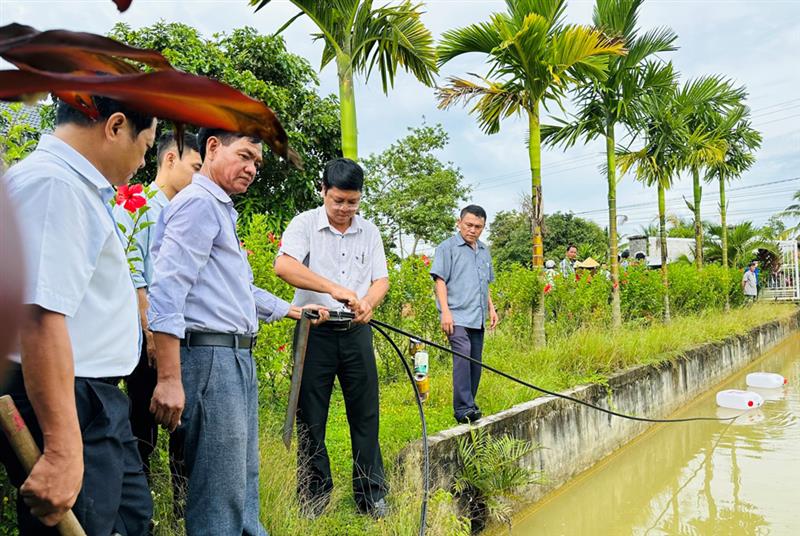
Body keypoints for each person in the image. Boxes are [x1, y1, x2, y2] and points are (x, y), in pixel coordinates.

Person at [146, 129, 327, 535]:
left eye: (257, 164)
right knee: (219, 496)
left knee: (242, 487)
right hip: (211, 359)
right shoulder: (198, 204)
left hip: (234, 358)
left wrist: (291, 311)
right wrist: (170, 378)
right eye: (244, 156)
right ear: (212, 147)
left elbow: (236, 289)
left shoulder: (220, 209)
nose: (251, 169)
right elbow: (167, 291)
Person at [0, 97, 156, 535]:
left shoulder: (69, 185)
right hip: (70, 400)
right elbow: (39, 318)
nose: (144, 162)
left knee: (128, 519)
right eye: (145, 145)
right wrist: (63, 452)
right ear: (115, 126)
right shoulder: (53, 185)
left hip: (94, 400)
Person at [274, 157, 390, 519]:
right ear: (323, 191)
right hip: (315, 331)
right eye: (337, 200)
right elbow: (285, 266)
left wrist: (368, 302)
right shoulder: (304, 224)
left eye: (352, 202)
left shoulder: (369, 231)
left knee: (366, 414)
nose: (344, 209)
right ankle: (314, 494)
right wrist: (333, 289)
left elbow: (380, 279)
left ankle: (371, 495)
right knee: (311, 416)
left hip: (356, 332)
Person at [112, 132, 201, 482]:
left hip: (179, 333)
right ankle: (142, 506)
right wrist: (149, 330)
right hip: (146, 334)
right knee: (143, 425)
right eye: (195, 167)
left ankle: (182, 507)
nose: (199, 176)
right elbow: (131, 269)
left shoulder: (185, 211)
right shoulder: (138, 205)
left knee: (183, 427)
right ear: (169, 160)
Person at [430, 205, 498, 424]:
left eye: (478, 227)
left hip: (477, 317)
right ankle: (462, 409)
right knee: (463, 355)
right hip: (456, 316)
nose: (473, 230)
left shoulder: (485, 251)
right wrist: (445, 313)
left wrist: (491, 308)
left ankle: (470, 404)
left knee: (475, 362)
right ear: (459, 223)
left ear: (483, 228)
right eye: (469, 225)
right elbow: (440, 281)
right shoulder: (447, 248)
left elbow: (484, 284)